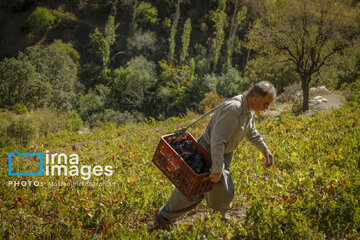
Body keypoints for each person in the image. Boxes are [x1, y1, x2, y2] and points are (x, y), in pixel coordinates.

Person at [155, 81, 276, 230]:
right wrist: (217, 168)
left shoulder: (249, 110)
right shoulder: (234, 109)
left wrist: (265, 150)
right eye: (266, 104)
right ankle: (216, 222)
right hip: (209, 151)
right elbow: (217, 141)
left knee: (198, 189)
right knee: (211, 190)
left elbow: (250, 131)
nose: (267, 108)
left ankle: (166, 217)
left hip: (223, 154)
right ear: (256, 99)